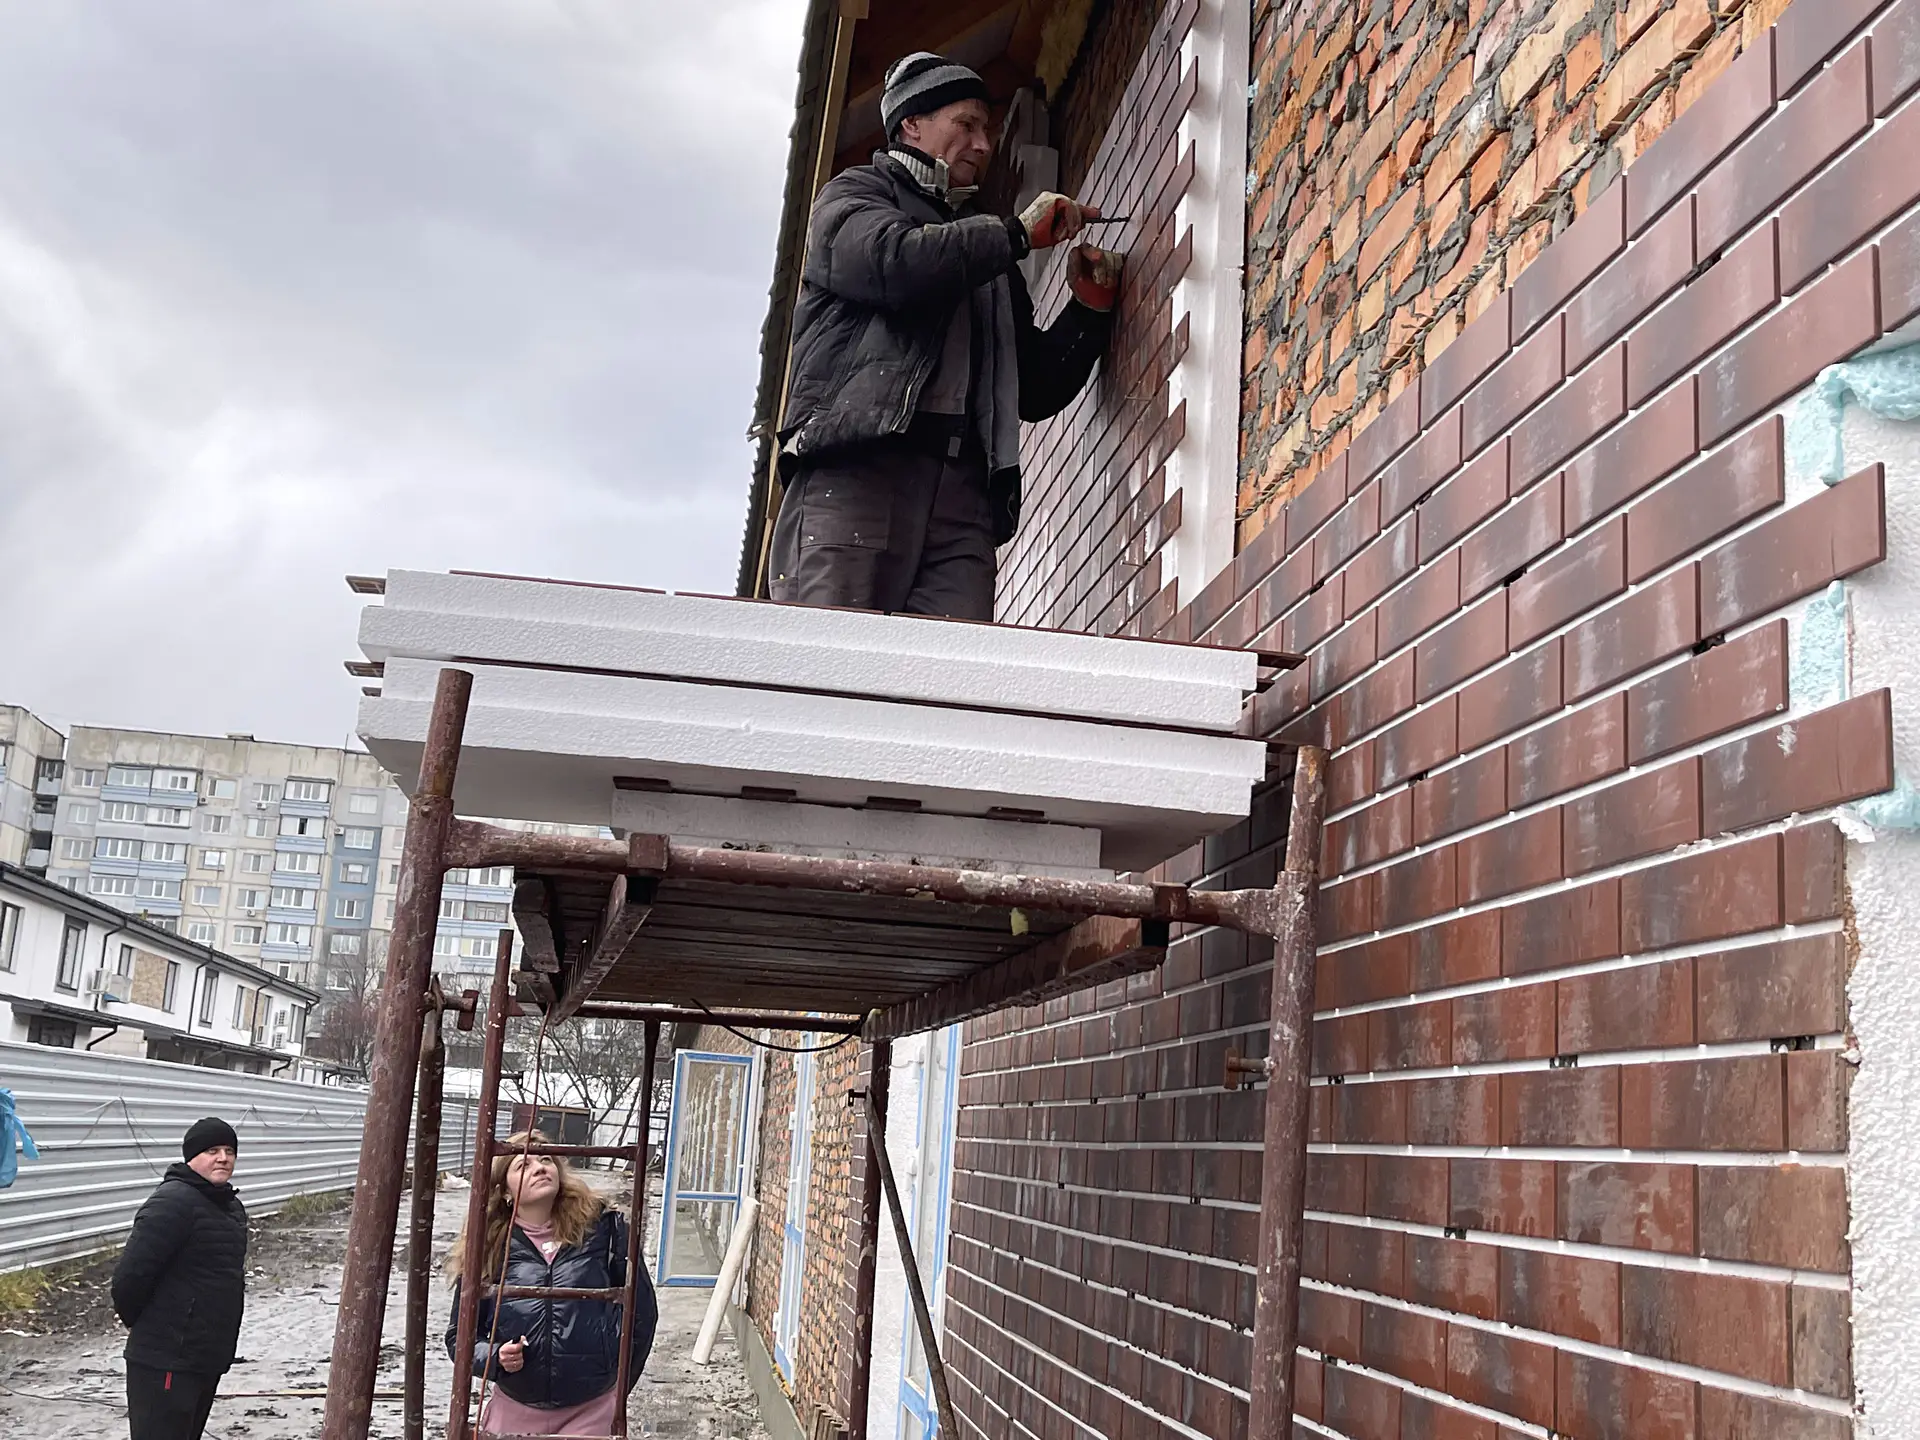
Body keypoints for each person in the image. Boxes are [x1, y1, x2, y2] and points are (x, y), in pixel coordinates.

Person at [768, 50, 1125, 622]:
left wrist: (1088, 310)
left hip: (964, 499)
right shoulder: (853, 196)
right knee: (830, 674)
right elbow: (897, 264)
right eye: (967, 124)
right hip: (860, 474)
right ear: (912, 123)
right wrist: (1013, 235)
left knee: (949, 692)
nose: (984, 145)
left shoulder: (984, 249)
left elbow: (1030, 387)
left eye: (987, 129)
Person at [445, 1135, 657, 1437]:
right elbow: (459, 1336)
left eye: (546, 1160)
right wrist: (495, 1357)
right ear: (505, 1190)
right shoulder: (489, 1245)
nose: (539, 1168)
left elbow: (642, 1315)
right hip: (515, 1407)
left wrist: (615, 1385)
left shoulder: (604, 1229)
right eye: (523, 1165)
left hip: (591, 1409)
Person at [110, 1117, 247, 1440]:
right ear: (192, 1156)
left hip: (206, 1355)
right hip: (166, 1360)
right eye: (212, 1150)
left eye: (229, 1150)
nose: (223, 1158)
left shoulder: (230, 1206)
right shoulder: (172, 1202)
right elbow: (130, 1278)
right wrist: (156, 1329)